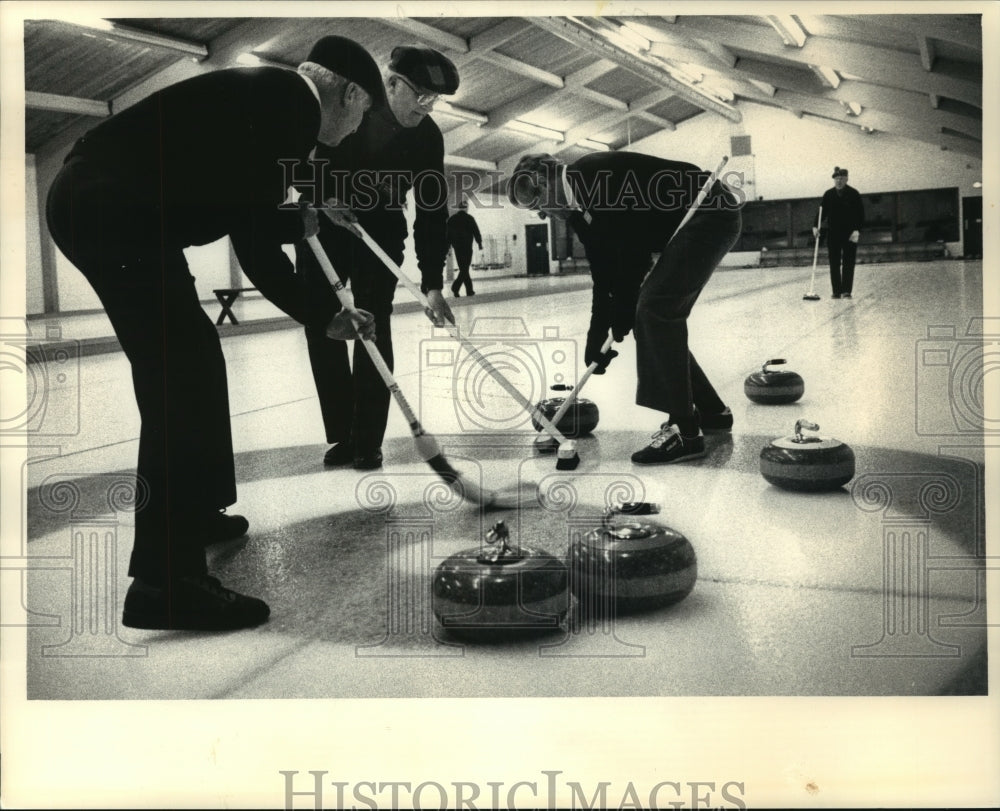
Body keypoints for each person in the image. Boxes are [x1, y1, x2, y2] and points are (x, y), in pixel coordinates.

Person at [45, 36, 383, 631]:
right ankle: (164, 582)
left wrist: (306, 251)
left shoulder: (273, 102)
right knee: (181, 380)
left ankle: (195, 513)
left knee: (195, 363)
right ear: (350, 92)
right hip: (114, 212)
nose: (356, 129)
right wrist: (319, 299)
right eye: (362, 113)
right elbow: (254, 232)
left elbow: (242, 217)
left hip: (121, 213)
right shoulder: (291, 107)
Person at [509, 151, 741, 465]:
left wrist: (623, 311)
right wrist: (597, 334)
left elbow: (634, 254)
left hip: (708, 210)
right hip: (693, 220)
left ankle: (684, 431)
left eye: (540, 207)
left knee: (654, 310)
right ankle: (712, 412)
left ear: (544, 184)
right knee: (651, 315)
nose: (546, 215)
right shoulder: (580, 209)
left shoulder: (596, 176)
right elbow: (603, 272)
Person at [295, 45, 458, 471]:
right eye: (419, 95)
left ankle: (366, 439)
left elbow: (431, 209)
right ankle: (342, 434)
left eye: (432, 100)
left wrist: (432, 282)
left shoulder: (427, 136)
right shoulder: (353, 105)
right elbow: (303, 155)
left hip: (381, 232)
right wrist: (321, 198)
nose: (426, 107)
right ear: (391, 84)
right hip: (325, 227)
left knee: (372, 323)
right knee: (322, 326)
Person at [814, 166, 864, 299]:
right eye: (836, 179)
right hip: (833, 234)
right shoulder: (828, 194)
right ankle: (836, 291)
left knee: (848, 263)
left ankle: (846, 290)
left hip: (850, 234)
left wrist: (857, 230)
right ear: (834, 180)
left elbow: (861, 214)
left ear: (847, 179)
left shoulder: (854, 194)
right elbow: (821, 212)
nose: (839, 181)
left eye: (841, 178)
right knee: (834, 263)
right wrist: (815, 226)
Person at [447, 200, 484, 296]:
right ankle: (457, 288)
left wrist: (448, 247)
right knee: (465, 268)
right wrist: (479, 243)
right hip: (467, 247)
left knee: (463, 268)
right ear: (466, 208)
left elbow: (448, 235)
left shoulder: (452, 219)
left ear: (459, 208)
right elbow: (476, 231)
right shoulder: (470, 218)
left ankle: (467, 290)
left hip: (457, 248)